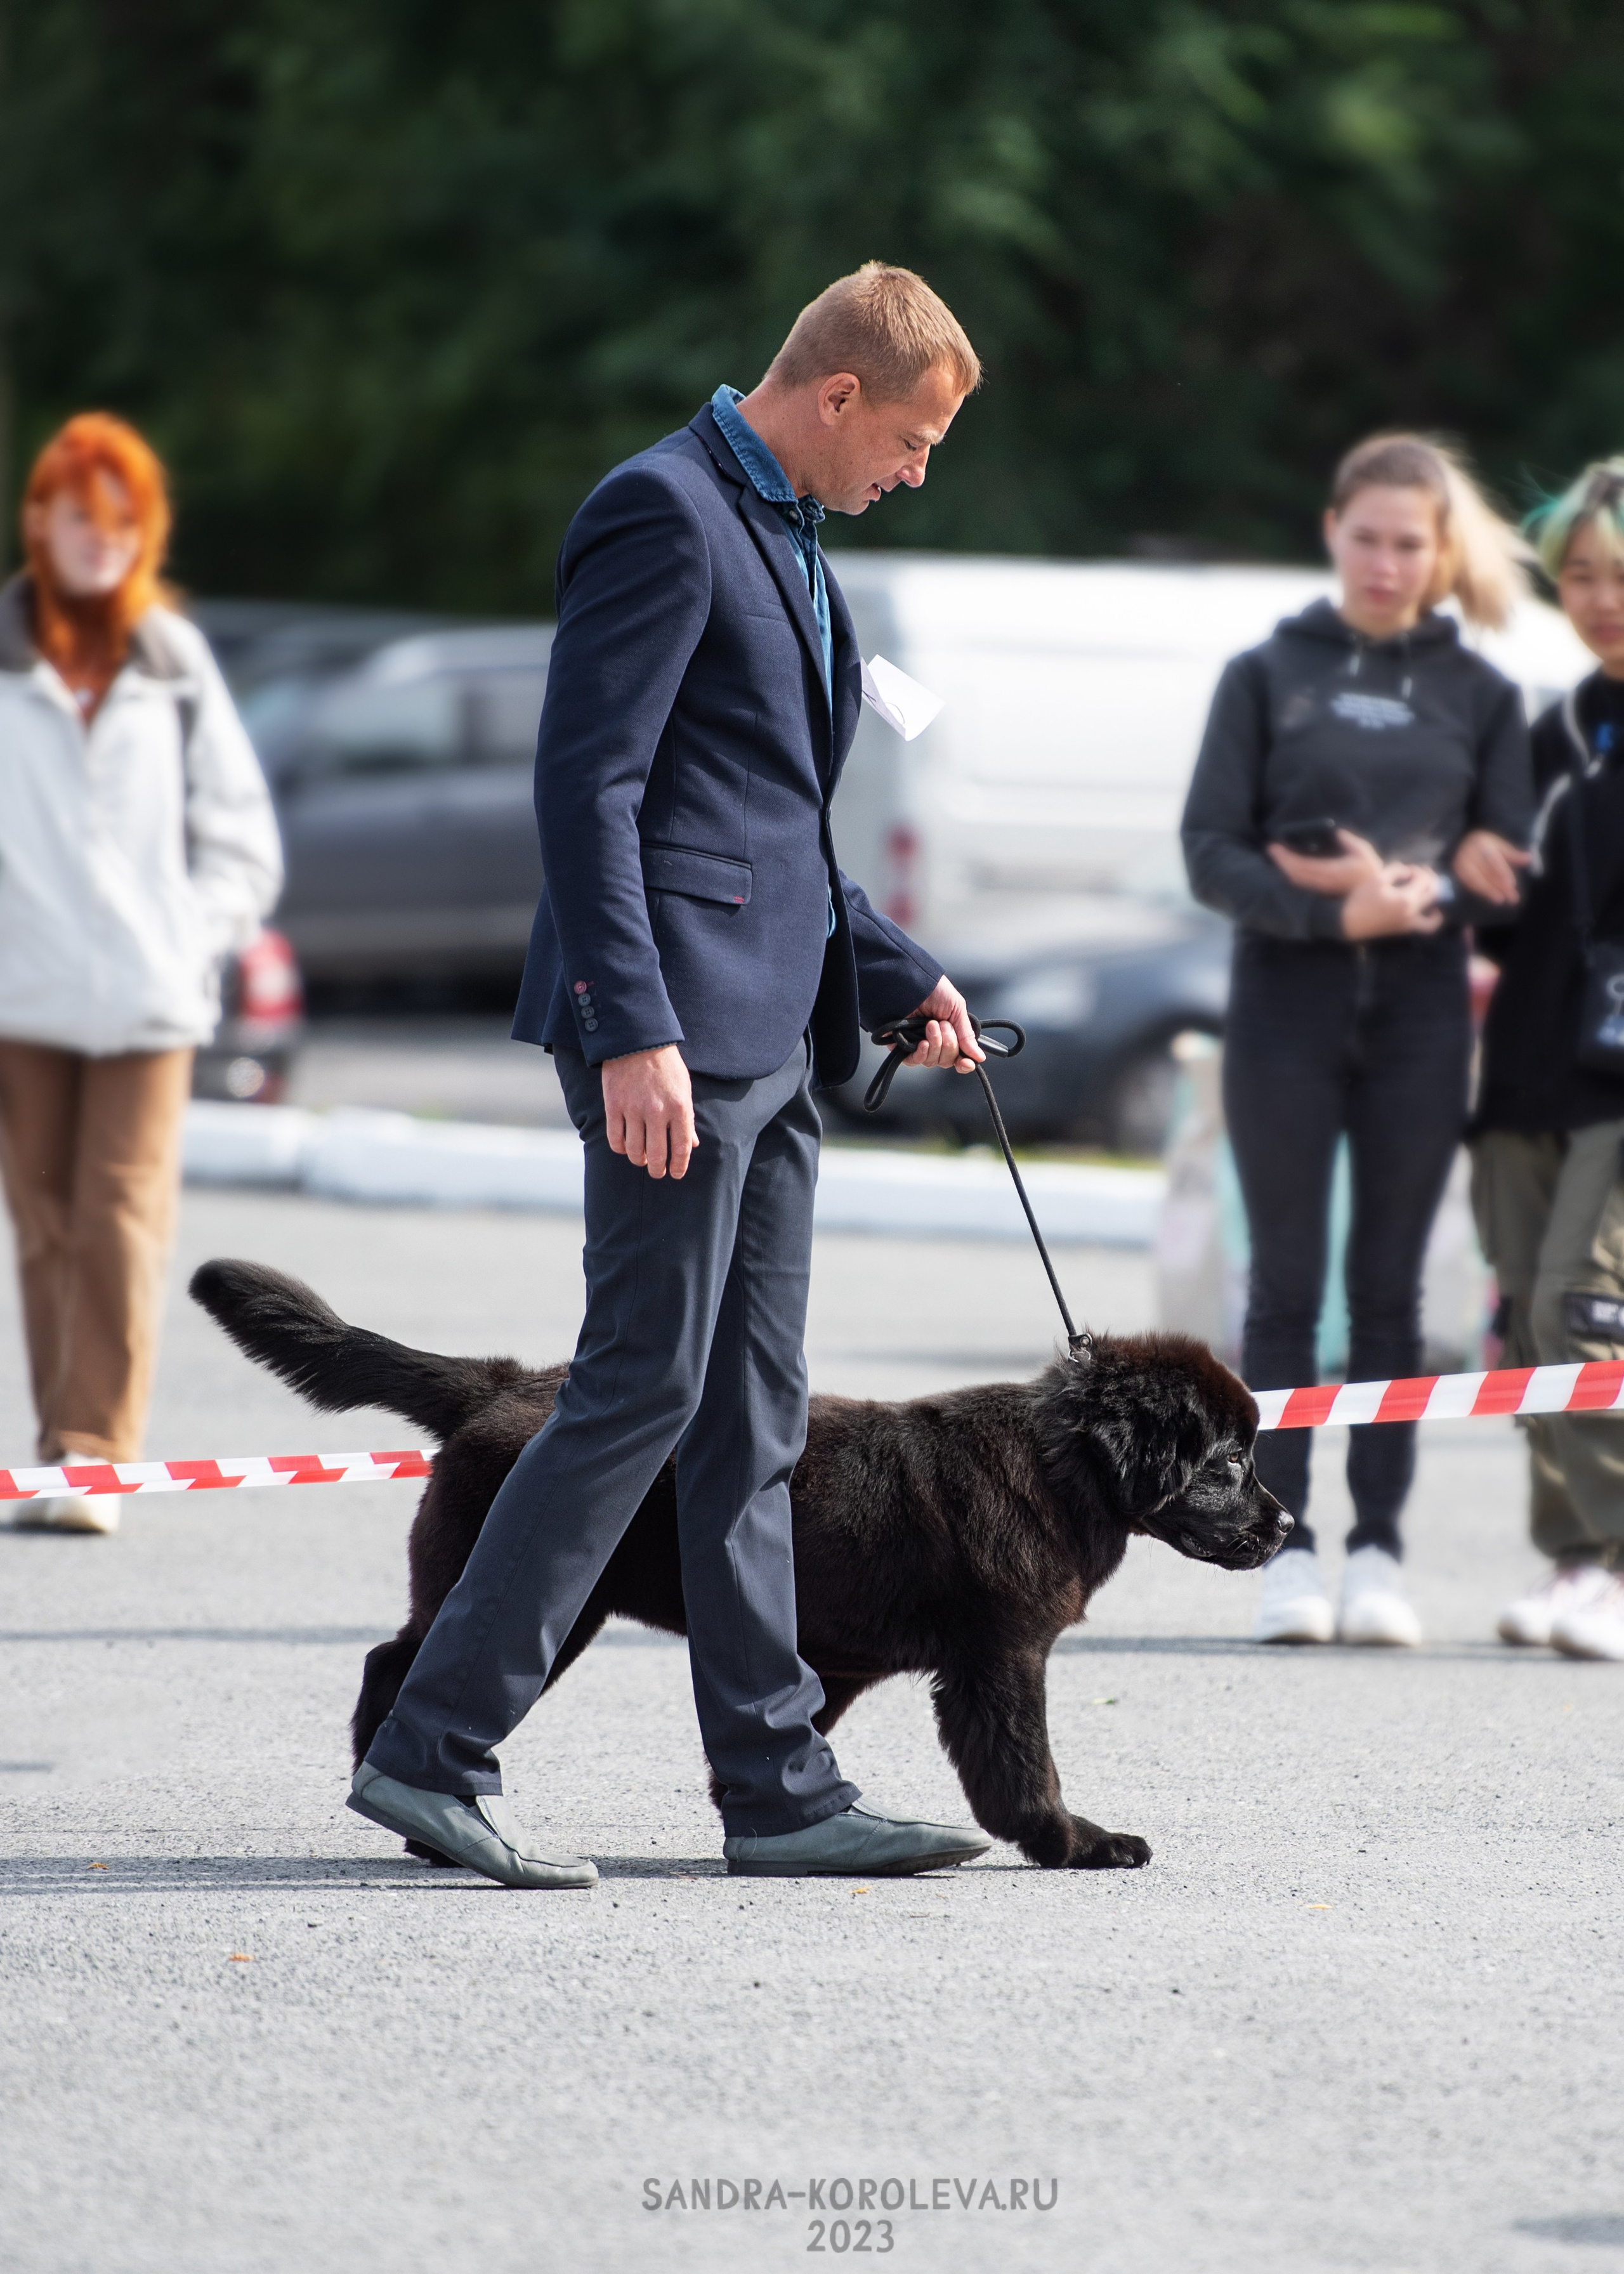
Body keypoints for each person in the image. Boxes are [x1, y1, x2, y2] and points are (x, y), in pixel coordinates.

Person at [350, 264, 995, 1888]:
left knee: (754, 1418)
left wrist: (896, 968)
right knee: (639, 1385)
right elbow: (593, 790)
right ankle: (432, 1751)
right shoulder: (660, 508)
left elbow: (768, 824)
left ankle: (776, 1790)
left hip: (770, 1041)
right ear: (837, 395)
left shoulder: (789, 531)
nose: (915, 471)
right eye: (911, 439)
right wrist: (627, 1023)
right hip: (670, 1042)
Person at [1182, 434, 1534, 1649]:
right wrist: (1335, 910)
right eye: (1368, 536)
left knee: (1389, 1293)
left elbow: (1507, 870)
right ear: (1334, 530)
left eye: (1410, 543)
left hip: (1423, 1019)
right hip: (1283, 1010)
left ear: (1439, 557)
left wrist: (1443, 890)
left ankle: (1378, 1547)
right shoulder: (1264, 673)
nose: (1386, 562)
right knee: (1283, 1288)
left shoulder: (1482, 695)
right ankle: (1289, 1546)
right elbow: (1212, 852)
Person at [0, 413, 282, 1533]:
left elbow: (242, 831)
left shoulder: (171, 660)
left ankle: (94, 1454)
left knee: (119, 1212)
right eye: (83, 520)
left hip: (147, 994)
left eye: (125, 524)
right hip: (22, 994)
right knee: (43, 1219)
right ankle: (58, 1436)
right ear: (43, 524)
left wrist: (190, 929)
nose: (102, 542)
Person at [1471, 461, 1624, 1663]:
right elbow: (1504, 910)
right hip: (1526, 1071)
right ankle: (1573, 1556)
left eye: (1621, 575)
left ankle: (1616, 1562)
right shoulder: (1556, 724)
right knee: (1529, 1319)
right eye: (1580, 574)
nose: (1601, 597)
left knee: (1584, 1302)